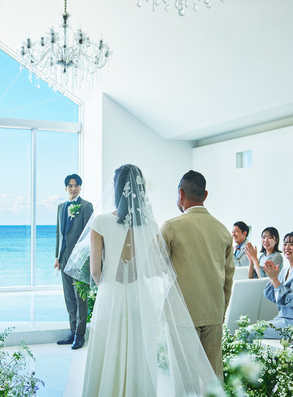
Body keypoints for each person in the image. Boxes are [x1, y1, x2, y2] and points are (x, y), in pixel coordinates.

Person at [65, 165, 217, 396]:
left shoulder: (100, 222)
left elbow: (95, 271)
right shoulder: (152, 225)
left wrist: (109, 285)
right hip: (140, 297)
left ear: (116, 189)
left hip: (110, 296)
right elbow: (152, 269)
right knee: (137, 354)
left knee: (108, 354)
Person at [161, 170, 234, 379]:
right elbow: (228, 277)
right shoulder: (223, 230)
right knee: (213, 377)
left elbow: (153, 266)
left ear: (181, 194)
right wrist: (221, 311)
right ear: (205, 195)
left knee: (184, 379)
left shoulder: (171, 227)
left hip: (181, 313)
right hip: (213, 312)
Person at [54, 174, 93, 350]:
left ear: (80, 187)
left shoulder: (86, 206)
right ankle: (72, 331)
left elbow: (89, 234)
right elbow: (59, 234)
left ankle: (80, 334)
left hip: (79, 259)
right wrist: (57, 257)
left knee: (80, 298)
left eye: (76, 185)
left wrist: (86, 258)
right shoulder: (60, 207)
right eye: (70, 186)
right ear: (66, 188)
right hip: (63, 259)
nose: (73, 188)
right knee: (69, 297)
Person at [257, 231, 293, 339]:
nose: (287, 247)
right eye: (285, 244)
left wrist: (275, 279)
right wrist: (272, 277)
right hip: (281, 319)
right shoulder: (285, 270)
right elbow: (272, 296)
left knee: (248, 332)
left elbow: (288, 301)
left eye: (291, 244)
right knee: (246, 331)